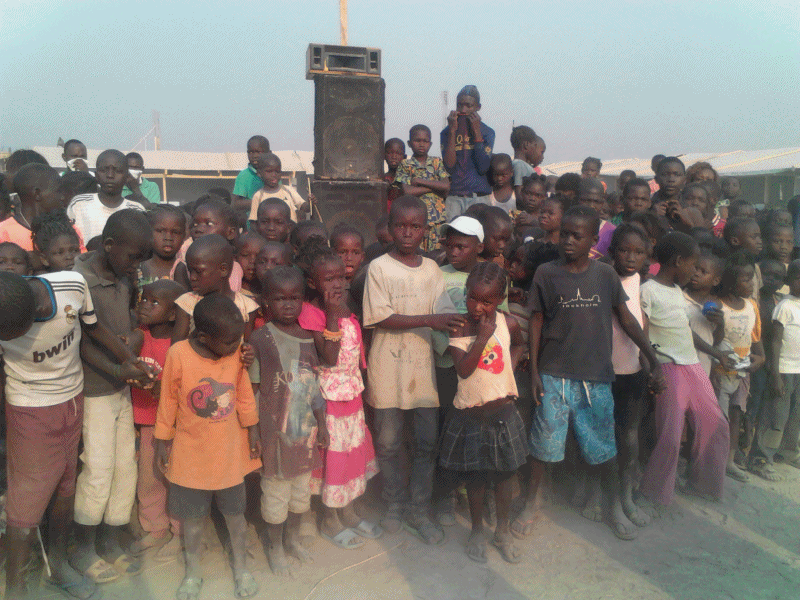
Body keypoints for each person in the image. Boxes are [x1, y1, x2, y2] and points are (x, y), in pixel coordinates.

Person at [0, 270, 150, 600]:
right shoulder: (6, 319)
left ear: (35, 312)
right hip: (30, 411)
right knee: (26, 502)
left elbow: (94, 329)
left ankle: (58, 566)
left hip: (73, 401)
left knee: (66, 487)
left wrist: (129, 360)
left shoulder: (72, 285)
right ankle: (14, 588)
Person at [526, 206, 662, 541]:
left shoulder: (604, 275)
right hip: (554, 373)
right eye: (564, 234)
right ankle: (531, 502)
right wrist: (533, 370)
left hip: (596, 376)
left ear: (592, 239)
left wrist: (652, 358)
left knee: (604, 448)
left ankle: (613, 505)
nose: (568, 241)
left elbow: (627, 319)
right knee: (544, 444)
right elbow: (536, 321)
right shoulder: (546, 273)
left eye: (577, 235)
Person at [363, 195, 463, 544]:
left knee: (425, 443)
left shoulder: (432, 271)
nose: (407, 232)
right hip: (387, 367)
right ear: (390, 228)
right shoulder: (379, 268)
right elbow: (380, 317)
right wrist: (431, 320)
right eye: (400, 225)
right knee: (388, 444)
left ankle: (419, 510)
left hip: (422, 370)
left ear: (425, 230)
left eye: (415, 226)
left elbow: (446, 314)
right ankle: (393, 504)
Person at [155, 294, 261, 599]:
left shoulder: (235, 352)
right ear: (203, 336)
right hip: (191, 453)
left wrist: (253, 429)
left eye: (238, 340)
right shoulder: (178, 354)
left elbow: (242, 394)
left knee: (235, 516)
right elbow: (169, 399)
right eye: (229, 342)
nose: (235, 347)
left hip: (228, 453)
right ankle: (192, 572)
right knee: (193, 518)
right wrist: (163, 439)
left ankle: (241, 569)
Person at [71, 209, 155, 583]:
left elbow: (132, 325)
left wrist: (133, 349)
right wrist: (121, 368)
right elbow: (83, 342)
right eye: (132, 256)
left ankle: (110, 540)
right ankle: (83, 547)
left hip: (121, 387)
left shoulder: (124, 276)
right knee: (98, 469)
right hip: (95, 391)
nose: (136, 265)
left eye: (140, 258)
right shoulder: (80, 280)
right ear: (109, 245)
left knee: (125, 468)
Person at [440, 262, 527, 564]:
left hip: (502, 410)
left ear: (500, 299)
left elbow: (518, 345)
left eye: (487, 301)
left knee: (505, 476)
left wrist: (509, 373)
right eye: (472, 298)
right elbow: (464, 371)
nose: (478, 307)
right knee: (475, 477)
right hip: (471, 414)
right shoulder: (460, 327)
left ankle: (501, 530)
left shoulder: (509, 323)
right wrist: (482, 337)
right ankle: (477, 529)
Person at [296, 242, 381, 548]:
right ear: (312, 283)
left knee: (353, 455)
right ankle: (330, 519)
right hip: (328, 397)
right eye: (327, 279)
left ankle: (351, 511)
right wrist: (332, 314)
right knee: (333, 457)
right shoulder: (312, 313)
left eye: (341, 278)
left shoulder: (349, 307)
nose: (336, 284)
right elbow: (329, 357)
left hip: (352, 393)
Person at [638, 232, 730, 508]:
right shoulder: (647, 291)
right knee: (670, 434)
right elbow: (642, 335)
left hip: (693, 366)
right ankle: (654, 493)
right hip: (668, 367)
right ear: (678, 261)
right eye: (692, 264)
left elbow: (685, 331)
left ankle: (704, 484)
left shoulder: (678, 292)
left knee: (715, 423)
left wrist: (715, 353)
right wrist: (651, 369)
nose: (693, 271)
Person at [249, 266, 328, 575]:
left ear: (303, 300)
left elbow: (313, 388)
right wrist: (253, 431)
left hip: (303, 430)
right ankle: (275, 546)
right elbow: (253, 390)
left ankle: (293, 539)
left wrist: (321, 424)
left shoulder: (310, 338)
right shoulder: (260, 338)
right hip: (272, 432)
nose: (287, 305)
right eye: (279, 299)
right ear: (267, 301)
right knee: (275, 493)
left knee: (300, 492)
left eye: (294, 298)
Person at [129, 280, 186, 560]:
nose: (145, 305)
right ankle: (155, 528)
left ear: (174, 313)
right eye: (144, 299)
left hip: (176, 425)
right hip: (147, 421)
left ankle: (180, 531)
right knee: (149, 478)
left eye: (154, 303)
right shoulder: (139, 335)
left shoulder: (181, 344)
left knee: (176, 477)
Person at [608, 224, 654, 527]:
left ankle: (625, 494)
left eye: (638, 251)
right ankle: (606, 497)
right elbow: (625, 321)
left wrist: (649, 362)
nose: (631, 257)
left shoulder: (640, 281)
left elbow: (640, 319)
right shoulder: (604, 277)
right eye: (624, 249)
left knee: (629, 436)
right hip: (604, 371)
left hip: (632, 370)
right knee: (604, 436)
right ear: (613, 251)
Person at [711, 252, 765, 483]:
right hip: (720, 373)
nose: (751, 284)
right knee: (718, 419)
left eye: (752, 278)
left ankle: (729, 461)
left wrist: (761, 358)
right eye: (745, 279)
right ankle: (712, 461)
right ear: (729, 282)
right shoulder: (717, 306)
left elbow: (756, 340)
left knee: (735, 416)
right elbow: (711, 340)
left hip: (743, 374)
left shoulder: (752, 306)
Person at [749, 260, 800, 481]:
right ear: (789, 281)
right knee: (775, 417)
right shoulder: (785, 307)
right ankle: (761, 458)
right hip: (785, 370)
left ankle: (786, 453)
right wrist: (776, 375)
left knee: (794, 416)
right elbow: (776, 342)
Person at [172, 235, 259, 342]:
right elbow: (176, 348)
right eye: (190, 271)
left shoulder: (247, 307)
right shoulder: (186, 303)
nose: (193, 277)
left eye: (198, 271)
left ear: (223, 269)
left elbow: (247, 345)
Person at [67, 149, 146, 243]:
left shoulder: (137, 211)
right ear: (96, 175)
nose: (110, 175)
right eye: (104, 170)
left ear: (127, 177)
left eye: (118, 171)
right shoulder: (78, 204)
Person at [441, 85, 495, 220]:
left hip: (479, 197)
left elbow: (483, 167)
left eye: (468, 106)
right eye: (460, 105)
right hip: (455, 197)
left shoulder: (487, 132)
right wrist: (453, 131)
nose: (463, 110)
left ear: (478, 107)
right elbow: (449, 166)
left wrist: (476, 132)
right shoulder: (447, 132)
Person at [396, 124, 451, 252]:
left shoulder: (437, 162)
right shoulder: (406, 165)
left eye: (425, 141)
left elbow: (446, 186)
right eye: (417, 141)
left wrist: (420, 181)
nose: (421, 144)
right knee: (416, 255)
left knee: (437, 256)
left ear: (430, 144)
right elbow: (407, 191)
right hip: (415, 222)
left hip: (437, 221)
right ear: (409, 143)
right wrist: (434, 186)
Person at [174, 198, 244, 292]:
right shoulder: (182, 266)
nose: (198, 229)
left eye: (209, 224)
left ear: (230, 232)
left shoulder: (235, 269)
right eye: (195, 224)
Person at [683, 252, 726, 376]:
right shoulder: (680, 299)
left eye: (703, 272)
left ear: (716, 280)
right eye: (695, 268)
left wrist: (721, 325)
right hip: (682, 364)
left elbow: (716, 341)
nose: (696, 273)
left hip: (703, 366)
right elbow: (686, 334)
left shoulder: (715, 307)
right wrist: (717, 354)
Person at [249, 153, 308, 224]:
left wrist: (310, 202)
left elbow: (305, 208)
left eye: (277, 171)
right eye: (269, 171)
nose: (274, 175)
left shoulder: (288, 190)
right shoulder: (258, 196)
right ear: (259, 173)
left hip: (291, 233)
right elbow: (253, 222)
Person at [139, 204, 188, 286]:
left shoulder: (188, 271)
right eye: (160, 231)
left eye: (175, 232)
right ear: (148, 232)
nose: (168, 238)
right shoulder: (137, 270)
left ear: (183, 236)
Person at [232, 135, 270, 213]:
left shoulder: (274, 174)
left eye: (258, 152)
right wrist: (260, 202)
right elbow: (235, 203)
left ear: (269, 153)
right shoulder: (244, 176)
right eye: (251, 152)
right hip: (251, 223)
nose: (254, 156)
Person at [236, 231, 268, 299]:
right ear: (235, 258)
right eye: (245, 255)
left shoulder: (272, 295)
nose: (252, 261)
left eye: (259, 256)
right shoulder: (231, 294)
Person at [384, 138, 406, 211]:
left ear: (404, 157)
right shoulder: (381, 179)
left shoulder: (408, 180)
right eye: (390, 153)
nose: (394, 157)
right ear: (384, 155)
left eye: (398, 153)